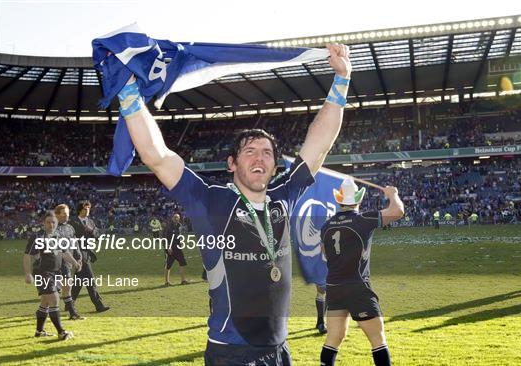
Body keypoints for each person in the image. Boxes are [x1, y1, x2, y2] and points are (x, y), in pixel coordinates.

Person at [117, 43, 351, 365]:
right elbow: (157, 157)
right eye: (250, 151)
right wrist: (129, 92)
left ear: (273, 165)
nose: (260, 157)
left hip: (279, 351)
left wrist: (341, 80)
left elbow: (319, 146)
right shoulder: (211, 201)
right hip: (231, 352)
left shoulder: (283, 196)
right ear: (231, 163)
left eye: (267, 152)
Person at [319, 178, 404, 366]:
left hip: (334, 287)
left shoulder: (326, 226)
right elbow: (398, 211)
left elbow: (324, 253)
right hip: (357, 286)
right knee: (377, 339)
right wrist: (393, 194)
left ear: (339, 199)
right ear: (358, 199)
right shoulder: (363, 219)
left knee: (333, 338)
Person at [23, 210, 81, 340]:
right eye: (48, 222)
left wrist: (75, 263)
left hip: (56, 273)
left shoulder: (58, 235)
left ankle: (39, 331)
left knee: (45, 303)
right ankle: (61, 332)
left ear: (57, 222)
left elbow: (65, 252)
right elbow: (27, 256)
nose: (51, 225)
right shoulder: (37, 236)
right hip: (42, 272)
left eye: (53, 222)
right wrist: (28, 274)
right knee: (54, 299)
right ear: (43, 223)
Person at [70, 200, 110, 312]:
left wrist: (91, 230)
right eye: (85, 209)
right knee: (90, 279)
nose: (87, 210)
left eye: (89, 208)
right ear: (80, 210)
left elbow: (97, 236)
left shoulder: (91, 222)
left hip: (87, 253)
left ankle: (69, 303)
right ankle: (99, 305)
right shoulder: (72, 222)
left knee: (79, 281)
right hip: (77, 253)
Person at [54, 204, 85, 320]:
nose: (66, 217)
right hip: (54, 263)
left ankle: (72, 314)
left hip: (66, 263)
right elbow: (61, 250)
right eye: (64, 215)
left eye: (67, 215)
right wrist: (74, 261)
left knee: (67, 288)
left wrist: (79, 257)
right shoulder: (53, 228)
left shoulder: (69, 228)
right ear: (57, 214)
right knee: (54, 291)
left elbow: (74, 244)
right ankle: (45, 312)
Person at [163, 213, 190, 285]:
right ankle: (166, 282)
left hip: (178, 248)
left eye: (178, 217)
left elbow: (179, 237)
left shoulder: (179, 226)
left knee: (183, 263)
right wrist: (168, 247)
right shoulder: (168, 227)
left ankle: (183, 280)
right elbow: (164, 238)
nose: (176, 218)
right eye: (175, 217)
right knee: (168, 265)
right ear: (172, 218)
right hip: (170, 249)